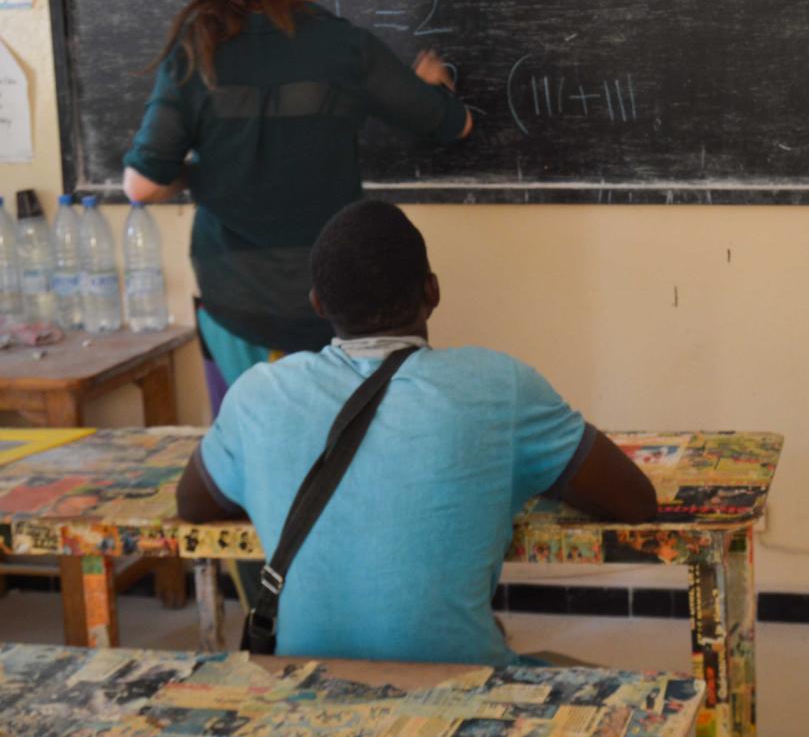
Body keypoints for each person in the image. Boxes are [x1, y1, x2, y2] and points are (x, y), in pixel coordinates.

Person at [175, 199, 657, 665]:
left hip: (307, 689)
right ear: (433, 292)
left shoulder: (259, 395)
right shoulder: (498, 386)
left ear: (318, 304)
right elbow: (635, 501)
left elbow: (192, 505)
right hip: (460, 691)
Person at [122, 0, 472, 397]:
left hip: (232, 303)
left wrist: (201, 167)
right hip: (331, 305)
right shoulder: (344, 47)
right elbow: (452, 124)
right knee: (334, 453)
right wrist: (433, 85)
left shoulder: (198, 47)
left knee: (247, 449)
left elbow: (142, 185)